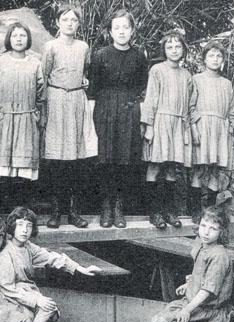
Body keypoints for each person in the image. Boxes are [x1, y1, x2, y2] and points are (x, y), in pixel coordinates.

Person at [88, 9, 148, 228]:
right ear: (110, 31)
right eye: (117, 27)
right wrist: (92, 119)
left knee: (125, 161)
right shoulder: (100, 55)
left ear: (132, 30)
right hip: (104, 111)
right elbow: (92, 90)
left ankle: (119, 207)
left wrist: (136, 112)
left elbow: (143, 88)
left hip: (128, 111)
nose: (121, 32)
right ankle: (105, 206)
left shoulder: (139, 56)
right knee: (106, 160)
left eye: (126, 27)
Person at [0, 207, 101, 322]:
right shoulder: (5, 252)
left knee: (50, 310)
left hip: (25, 292)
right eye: (20, 225)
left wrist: (80, 268)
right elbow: (7, 288)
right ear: (13, 226)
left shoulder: (27, 247)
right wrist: (37, 300)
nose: (25, 230)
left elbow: (52, 258)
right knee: (41, 312)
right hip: (10, 296)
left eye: (29, 226)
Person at [0, 22, 45, 213]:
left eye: (23, 36)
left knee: (23, 167)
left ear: (28, 39)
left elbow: (41, 94)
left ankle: (19, 212)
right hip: (2, 120)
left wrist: (36, 114)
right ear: (9, 39)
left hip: (26, 120)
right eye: (15, 36)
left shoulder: (35, 63)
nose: (19, 39)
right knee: (1, 168)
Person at [41, 5, 91, 229]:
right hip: (56, 99)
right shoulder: (50, 46)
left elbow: (85, 72)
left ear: (79, 24)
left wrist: (83, 82)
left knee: (75, 161)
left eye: (74, 20)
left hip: (76, 101)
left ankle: (73, 212)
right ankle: (55, 212)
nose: (70, 23)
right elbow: (43, 77)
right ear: (58, 23)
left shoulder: (83, 47)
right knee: (56, 160)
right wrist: (43, 108)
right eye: (65, 19)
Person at [150, 205, 234, 322]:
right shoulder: (202, 244)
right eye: (203, 225)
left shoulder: (218, 256)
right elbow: (201, 274)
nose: (206, 232)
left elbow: (208, 290)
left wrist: (186, 311)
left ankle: (224, 320)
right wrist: (189, 285)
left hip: (210, 310)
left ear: (221, 232)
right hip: (192, 302)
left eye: (213, 229)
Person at [141, 30, 194, 230]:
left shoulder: (187, 75)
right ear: (164, 49)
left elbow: (189, 105)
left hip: (178, 125)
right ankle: (154, 213)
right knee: (155, 166)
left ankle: (169, 212)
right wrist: (149, 126)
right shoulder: (157, 70)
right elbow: (151, 99)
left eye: (178, 46)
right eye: (169, 47)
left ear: (184, 50)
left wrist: (187, 130)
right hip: (160, 121)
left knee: (172, 168)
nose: (174, 50)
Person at [188, 41, 234, 222]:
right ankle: (194, 210)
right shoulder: (196, 79)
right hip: (203, 128)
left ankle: (209, 210)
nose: (215, 59)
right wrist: (194, 127)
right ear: (204, 59)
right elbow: (191, 106)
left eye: (218, 56)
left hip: (220, 130)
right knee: (199, 170)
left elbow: (232, 110)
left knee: (216, 171)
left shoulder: (226, 83)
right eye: (211, 55)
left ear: (223, 60)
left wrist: (232, 130)